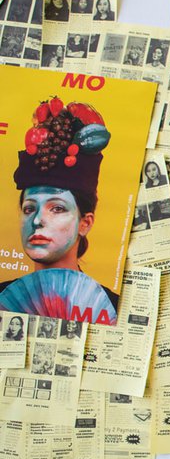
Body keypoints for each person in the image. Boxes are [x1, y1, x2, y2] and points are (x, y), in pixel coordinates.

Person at [0, 97, 119, 324]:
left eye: (56, 208)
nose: (37, 221)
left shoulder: (114, 306)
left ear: (85, 223)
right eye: (29, 208)